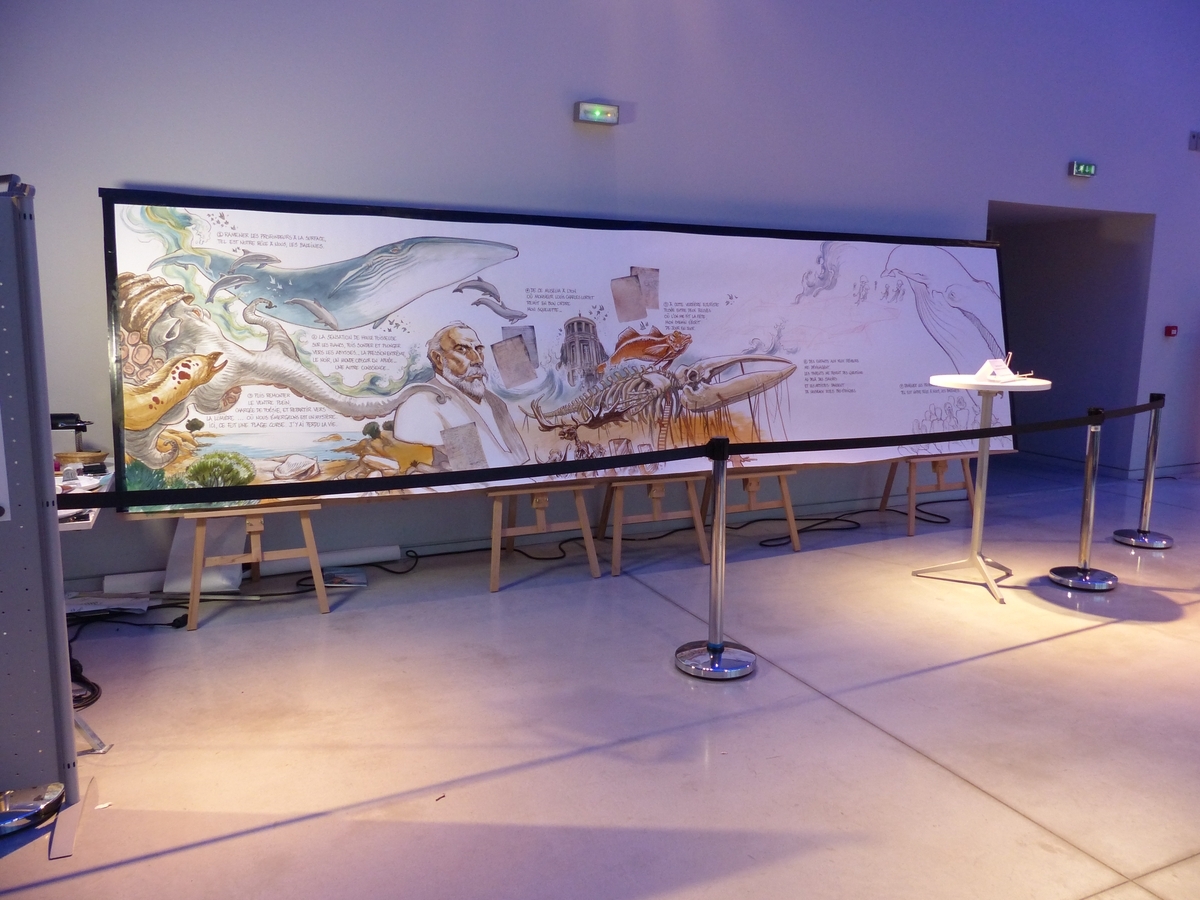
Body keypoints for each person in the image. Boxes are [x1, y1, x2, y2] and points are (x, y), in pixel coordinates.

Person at [391, 322, 529, 471]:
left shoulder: (495, 402)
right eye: (462, 349)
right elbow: (473, 469)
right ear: (438, 358)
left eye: (478, 349)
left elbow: (519, 463)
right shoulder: (421, 404)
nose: (477, 359)